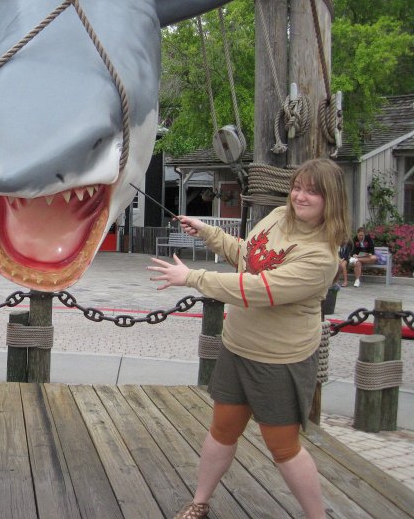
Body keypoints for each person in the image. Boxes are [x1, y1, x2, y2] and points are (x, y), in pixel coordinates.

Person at [149, 158, 349, 519]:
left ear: (331, 200)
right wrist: (208, 231)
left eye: (312, 192)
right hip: (237, 347)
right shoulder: (276, 216)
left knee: (283, 447)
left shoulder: (321, 258)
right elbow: (248, 257)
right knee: (222, 430)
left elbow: (259, 289)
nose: (300, 197)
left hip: (279, 361)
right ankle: (200, 501)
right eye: (298, 187)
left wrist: (193, 277)